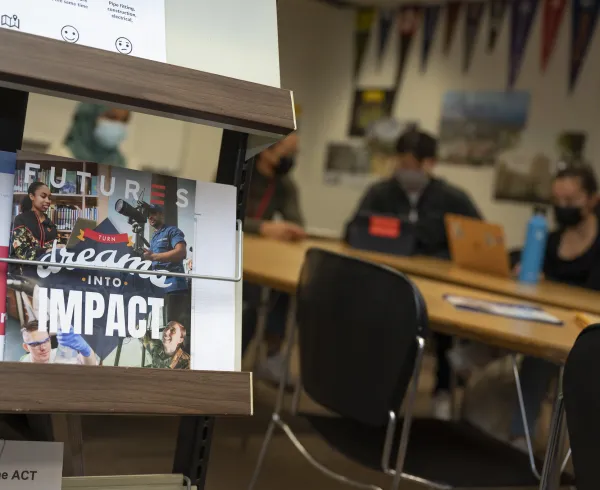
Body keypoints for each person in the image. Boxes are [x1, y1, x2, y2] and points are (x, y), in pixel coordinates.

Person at [345, 128, 482, 419]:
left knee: (447, 328)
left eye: (412, 165)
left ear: (429, 163)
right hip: (390, 285)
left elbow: (477, 242)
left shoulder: (453, 199)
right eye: (401, 163)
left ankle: (443, 391)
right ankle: (375, 392)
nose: (405, 170)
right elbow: (353, 230)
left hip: (437, 289)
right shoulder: (380, 193)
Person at [510, 165, 600, 449]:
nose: (562, 208)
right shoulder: (551, 240)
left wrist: (548, 282)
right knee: (532, 339)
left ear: (592, 200)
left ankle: (520, 436)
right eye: (557, 201)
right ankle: (519, 436)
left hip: (587, 330)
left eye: (570, 201)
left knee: (540, 352)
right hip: (546, 320)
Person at [243, 132, 305, 385]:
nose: (290, 160)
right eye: (287, 153)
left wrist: (288, 229)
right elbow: (219, 212)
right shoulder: (240, 174)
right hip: (231, 251)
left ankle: (273, 356)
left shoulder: (284, 184)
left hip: (261, 257)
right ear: (267, 150)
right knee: (251, 296)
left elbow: (297, 221)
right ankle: (232, 360)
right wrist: (263, 228)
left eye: (294, 154)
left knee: (284, 288)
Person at [143, 204, 191, 332]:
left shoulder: (172, 231)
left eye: (153, 213)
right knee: (155, 328)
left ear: (161, 215)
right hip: (158, 288)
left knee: (173, 329)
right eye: (148, 215)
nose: (150, 217)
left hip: (174, 287)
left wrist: (154, 256)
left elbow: (181, 252)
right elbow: (154, 259)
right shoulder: (154, 237)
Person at [48, 103, 131, 167]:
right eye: (111, 117)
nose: (118, 124)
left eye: (124, 120)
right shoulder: (59, 156)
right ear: (89, 119)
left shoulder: (121, 163)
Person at [11, 182, 60, 261]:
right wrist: (46, 251)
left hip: (46, 271)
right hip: (23, 270)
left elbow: (55, 249)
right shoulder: (21, 220)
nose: (48, 201)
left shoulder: (51, 225)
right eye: (43, 196)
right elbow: (20, 251)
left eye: (49, 198)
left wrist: (60, 248)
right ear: (32, 196)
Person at [20, 320, 98, 365]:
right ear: (26, 347)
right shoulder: (23, 364)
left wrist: (85, 350)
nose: (43, 348)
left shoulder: (61, 356)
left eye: (46, 341)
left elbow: (91, 366)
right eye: (36, 344)